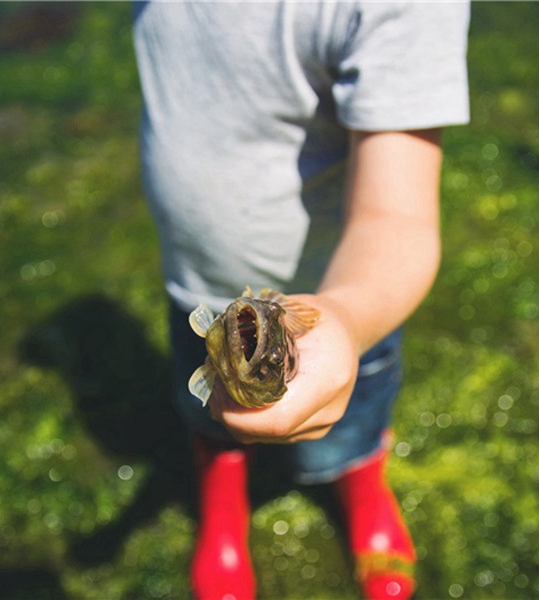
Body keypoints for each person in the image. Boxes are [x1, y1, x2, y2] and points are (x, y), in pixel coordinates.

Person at [132, 2, 470, 598]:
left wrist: (345, 315)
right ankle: (222, 498)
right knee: (210, 419)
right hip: (192, 284)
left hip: (343, 308)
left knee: (355, 419)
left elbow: (399, 219)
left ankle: (360, 482)